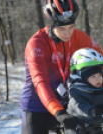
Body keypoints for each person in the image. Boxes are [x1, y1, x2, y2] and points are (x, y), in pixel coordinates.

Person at [19, 0, 103, 134]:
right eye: (62, 28)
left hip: (65, 107)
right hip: (37, 108)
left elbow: (100, 61)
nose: (68, 34)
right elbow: (40, 81)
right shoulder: (37, 44)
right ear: (51, 24)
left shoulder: (79, 37)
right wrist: (57, 110)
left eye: (71, 27)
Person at [67, 48, 103, 133]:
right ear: (81, 78)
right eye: (93, 76)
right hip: (79, 127)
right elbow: (79, 105)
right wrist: (91, 111)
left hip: (97, 126)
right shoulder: (75, 91)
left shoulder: (100, 89)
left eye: (100, 75)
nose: (98, 79)